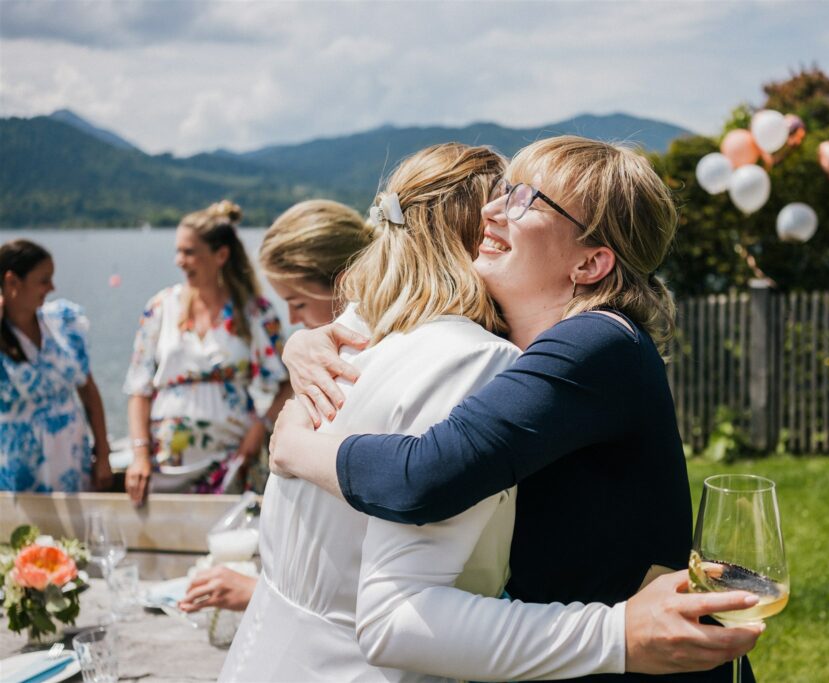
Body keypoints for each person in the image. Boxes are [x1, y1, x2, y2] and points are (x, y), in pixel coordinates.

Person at [271, 136, 761, 681]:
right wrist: (312, 340)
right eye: (504, 189)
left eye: (527, 199)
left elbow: (421, 479)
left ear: (591, 262)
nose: (492, 208)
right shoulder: (532, 344)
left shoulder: (597, 343)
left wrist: (293, 445)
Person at [220, 143, 522, 682]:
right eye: (507, 214)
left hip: (263, 654)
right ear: (484, 235)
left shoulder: (347, 339)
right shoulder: (479, 361)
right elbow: (408, 606)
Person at [179, 198, 374, 614]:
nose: (291, 316)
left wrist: (260, 593)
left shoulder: (359, 365)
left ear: (342, 283)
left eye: (299, 303)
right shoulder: (327, 351)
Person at [123, 201, 290, 504]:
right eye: (178, 251)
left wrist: (260, 428)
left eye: (189, 252)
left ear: (221, 255)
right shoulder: (161, 307)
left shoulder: (254, 311)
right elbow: (139, 389)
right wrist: (139, 454)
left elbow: (288, 382)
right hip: (166, 459)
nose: (179, 261)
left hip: (235, 455)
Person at [0, 239, 113, 493]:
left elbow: (88, 391)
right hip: (19, 467)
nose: (52, 287)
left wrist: (103, 453)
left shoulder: (63, 322)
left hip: (72, 457)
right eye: (44, 279)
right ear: (12, 282)